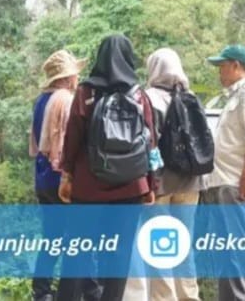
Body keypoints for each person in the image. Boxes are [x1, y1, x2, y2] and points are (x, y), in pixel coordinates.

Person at [57, 35, 158, 301]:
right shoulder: (139, 95)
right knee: (118, 257)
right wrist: (151, 184)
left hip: (88, 188)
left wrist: (67, 176)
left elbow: (72, 138)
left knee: (77, 254)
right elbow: (151, 144)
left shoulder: (86, 92)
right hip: (130, 188)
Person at [201, 44, 245, 301]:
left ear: (236, 66)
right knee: (225, 252)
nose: (219, 72)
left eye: (222, 66)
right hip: (221, 182)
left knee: (244, 246)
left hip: (235, 183)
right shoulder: (234, 96)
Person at [144, 47, 204, 301]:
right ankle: (189, 297)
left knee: (160, 246)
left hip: (160, 184)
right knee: (184, 244)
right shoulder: (191, 98)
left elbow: (147, 144)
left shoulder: (147, 98)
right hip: (191, 182)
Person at [29, 50, 85, 301]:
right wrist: (70, 176)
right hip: (58, 176)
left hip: (42, 175)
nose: (77, 77)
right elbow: (64, 142)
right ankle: (68, 293)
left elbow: (35, 143)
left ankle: (41, 291)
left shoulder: (42, 100)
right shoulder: (65, 99)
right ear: (66, 77)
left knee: (51, 236)